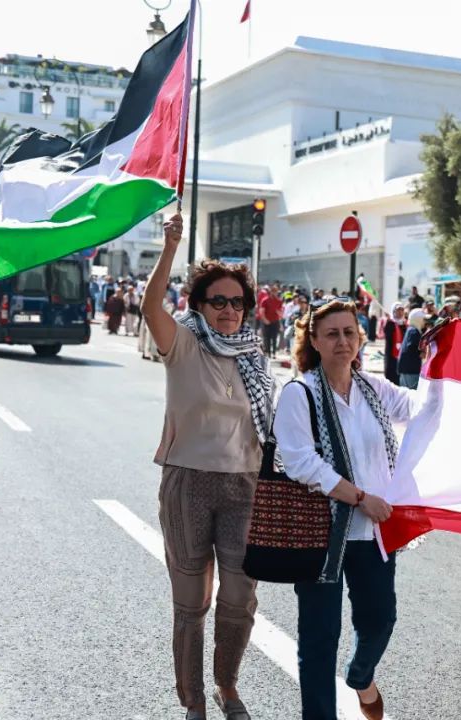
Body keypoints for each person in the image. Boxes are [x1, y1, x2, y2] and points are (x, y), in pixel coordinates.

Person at [143, 214, 274, 720]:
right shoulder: (182, 345)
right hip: (187, 484)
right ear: (199, 306)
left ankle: (228, 687)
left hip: (245, 485)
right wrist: (171, 245)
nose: (228, 309)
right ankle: (193, 700)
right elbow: (153, 305)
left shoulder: (255, 359)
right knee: (192, 601)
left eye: (237, 302)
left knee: (240, 597)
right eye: (217, 301)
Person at [274, 298, 417, 720]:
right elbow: (300, 461)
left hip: (373, 532)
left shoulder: (373, 388)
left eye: (349, 333)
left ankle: (360, 677)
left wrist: (447, 363)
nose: (342, 341)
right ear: (314, 340)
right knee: (319, 639)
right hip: (321, 534)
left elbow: (421, 409)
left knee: (379, 619)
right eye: (332, 334)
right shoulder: (300, 393)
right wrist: (359, 497)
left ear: (360, 338)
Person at [398, 308, 426, 389]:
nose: (424, 322)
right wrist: (421, 353)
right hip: (410, 369)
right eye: (423, 319)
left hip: (407, 368)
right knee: (410, 394)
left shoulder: (411, 329)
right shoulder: (413, 331)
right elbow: (411, 347)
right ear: (418, 319)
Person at [258, 284, 284, 358]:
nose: (274, 293)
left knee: (275, 338)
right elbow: (261, 311)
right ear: (270, 292)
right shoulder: (265, 300)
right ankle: (268, 353)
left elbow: (281, 313)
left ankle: (274, 353)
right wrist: (265, 320)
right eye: (273, 291)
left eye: (276, 291)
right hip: (267, 322)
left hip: (275, 322)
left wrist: (279, 313)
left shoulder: (279, 301)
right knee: (267, 338)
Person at [382, 303, 406, 384]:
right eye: (398, 310)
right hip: (391, 357)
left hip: (402, 357)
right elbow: (387, 334)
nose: (400, 312)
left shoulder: (405, 324)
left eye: (402, 310)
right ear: (393, 311)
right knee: (391, 379)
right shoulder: (390, 323)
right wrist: (388, 321)